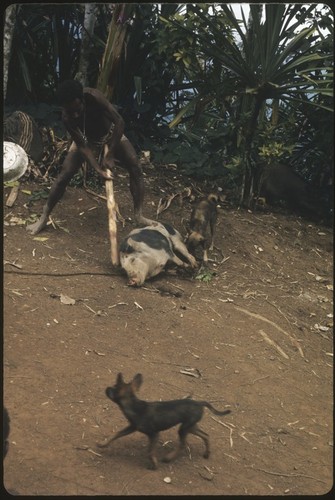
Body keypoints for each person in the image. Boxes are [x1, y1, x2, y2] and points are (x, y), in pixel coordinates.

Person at [26, 80, 152, 235]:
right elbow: (83, 147)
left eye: (78, 109)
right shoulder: (67, 117)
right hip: (88, 141)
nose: (76, 114)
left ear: (82, 99)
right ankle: (44, 217)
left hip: (111, 134)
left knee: (135, 165)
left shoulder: (94, 97)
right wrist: (98, 169)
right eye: (71, 111)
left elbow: (119, 121)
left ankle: (139, 215)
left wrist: (110, 154)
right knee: (63, 176)